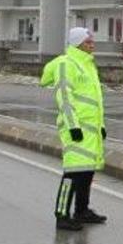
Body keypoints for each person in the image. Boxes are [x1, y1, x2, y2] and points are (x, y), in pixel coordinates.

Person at [40, 27, 108, 231]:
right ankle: (61, 215)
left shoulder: (88, 65)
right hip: (75, 129)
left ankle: (82, 211)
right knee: (72, 173)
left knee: (87, 172)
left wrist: (101, 126)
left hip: (91, 129)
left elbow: (96, 101)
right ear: (78, 43)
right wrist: (73, 126)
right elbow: (64, 97)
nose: (92, 45)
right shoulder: (66, 64)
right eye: (88, 42)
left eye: (92, 41)